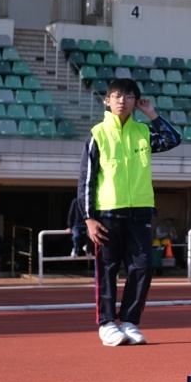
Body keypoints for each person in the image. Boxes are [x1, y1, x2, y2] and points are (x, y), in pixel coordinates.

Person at [77, 77, 181, 346]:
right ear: (107, 101)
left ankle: (129, 322)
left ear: (136, 102)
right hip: (107, 216)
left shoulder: (143, 132)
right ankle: (106, 323)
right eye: (117, 96)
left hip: (140, 214)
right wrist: (88, 218)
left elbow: (173, 139)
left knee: (142, 268)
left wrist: (152, 114)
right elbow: (86, 180)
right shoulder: (98, 134)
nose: (122, 100)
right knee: (107, 270)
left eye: (129, 96)